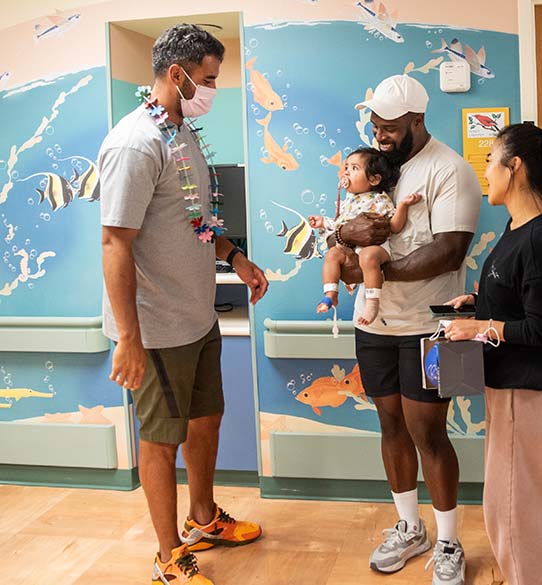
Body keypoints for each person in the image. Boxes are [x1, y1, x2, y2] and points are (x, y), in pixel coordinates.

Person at [99, 24, 268, 585]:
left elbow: (195, 218)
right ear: (177, 75)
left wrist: (235, 258)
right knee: (160, 438)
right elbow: (115, 241)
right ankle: (169, 556)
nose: (212, 89)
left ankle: (202, 518)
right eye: (209, 79)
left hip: (197, 315)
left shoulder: (181, 132)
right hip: (157, 325)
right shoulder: (135, 143)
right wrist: (129, 337)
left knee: (206, 419)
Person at [337, 74, 481, 585]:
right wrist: (342, 237)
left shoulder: (451, 169)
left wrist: (376, 270)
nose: (379, 135)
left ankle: (448, 542)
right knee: (391, 426)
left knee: (430, 432)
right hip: (375, 324)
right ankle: (409, 526)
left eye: (390, 127)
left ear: (417, 121)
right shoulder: (373, 169)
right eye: (374, 124)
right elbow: (346, 226)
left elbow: (450, 251)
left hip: (440, 327)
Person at [443, 119, 542, 585]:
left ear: (514, 167)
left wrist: (483, 326)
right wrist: (480, 304)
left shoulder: (538, 239)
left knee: (517, 515)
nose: (486, 172)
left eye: (489, 161)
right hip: (513, 392)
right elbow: (523, 299)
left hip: (528, 395)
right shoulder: (519, 227)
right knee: (508, 506)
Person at [308, 147, 421, 325]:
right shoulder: (348, 202)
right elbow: (341, 227)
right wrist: (324, 223)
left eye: (354, 168)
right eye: (346, 168)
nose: (346, 173)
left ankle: (372, 303)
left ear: (374, 179)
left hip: (377, 249)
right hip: (351, 251)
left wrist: (403, 206)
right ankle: (330, 294)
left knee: (368, 256)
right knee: (332, 255)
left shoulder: (379, 200)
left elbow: (394, 226)